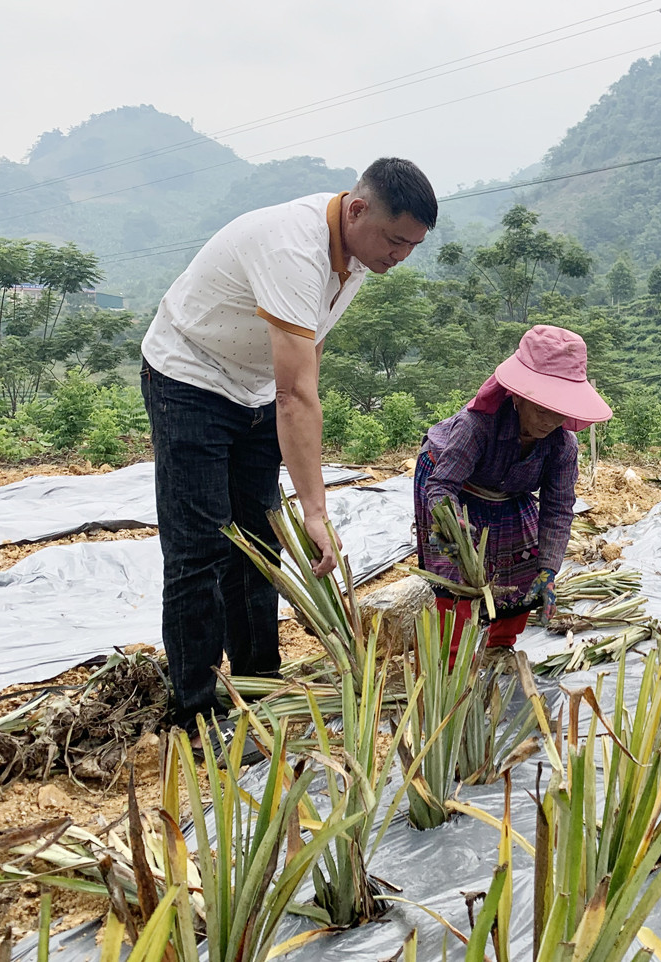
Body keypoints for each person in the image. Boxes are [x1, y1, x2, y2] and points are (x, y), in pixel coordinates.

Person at [140, 158, 438, 732]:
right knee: (200, 548)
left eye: (412, 246)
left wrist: (301, 496)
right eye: (395, 240)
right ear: (357, 209)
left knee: (259, 540)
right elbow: (296, 395)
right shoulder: (292, 248)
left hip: (255, 388)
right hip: (189, 378)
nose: (400, 255)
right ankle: (195, 710)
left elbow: (306, 358)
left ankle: (259, 684)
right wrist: (316, 512)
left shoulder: (356, 255)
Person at [414, 325, 611, 660]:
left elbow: (558, 509)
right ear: (518, 396)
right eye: (542, 408)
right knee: (457, 571)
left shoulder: (562, 446)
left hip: (509, 490)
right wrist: (448, 523)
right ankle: (449, 662)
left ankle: (500, 646)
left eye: (560, 411)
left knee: (524, 567)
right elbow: (443, 484)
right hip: (451, 483)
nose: (550, 420)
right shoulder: (477, 425)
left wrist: (549, 570)